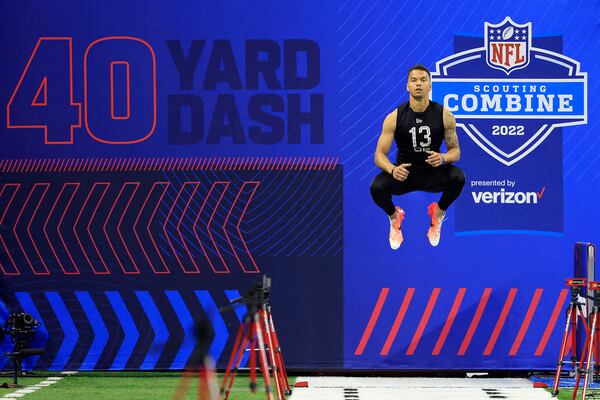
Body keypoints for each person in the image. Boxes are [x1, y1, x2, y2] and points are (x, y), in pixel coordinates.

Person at [370, 64, 465, 249]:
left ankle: (437, 214)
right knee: (377, 187)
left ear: (430, 85)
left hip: (433, 174)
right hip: (404, 175)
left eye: (423, 80)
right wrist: (392, 169)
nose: (418, 84)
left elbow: (456, 152)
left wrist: (443, 158)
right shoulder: (394, 117)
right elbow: (379, 155)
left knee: (458, 177)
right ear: (407, 86)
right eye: (414, 81)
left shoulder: (444, 114)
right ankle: (394, 218)